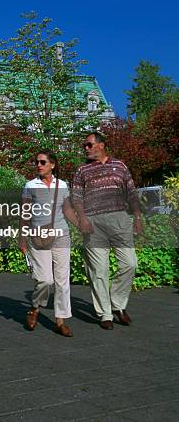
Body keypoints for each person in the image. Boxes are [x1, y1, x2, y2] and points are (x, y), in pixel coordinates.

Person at [71, 132, 143, 330]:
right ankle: (105, 313)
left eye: (89, 144)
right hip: (93, 223)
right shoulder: (82, 170)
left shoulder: (120, 166)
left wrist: (137, 217)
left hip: (119, 219)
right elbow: (76, 198)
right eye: (84, 145)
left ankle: (118, 304)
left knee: (130, 263)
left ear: (101, 145)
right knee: (99, 270)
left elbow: (132, 193)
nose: (85, 148)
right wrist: (82, 219)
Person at [19, 151, 79, 337]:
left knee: (62, 280)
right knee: (45, 279)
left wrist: (81, 225)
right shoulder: (30, 185)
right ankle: (35, 307)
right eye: (36, 162)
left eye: (42, 162)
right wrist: (22, 238)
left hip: (61, 235)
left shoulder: (62, 185)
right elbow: (25, 213)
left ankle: (60, 321)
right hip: (39, 236)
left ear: (52, 164)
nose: (38, 165)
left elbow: (67, 209)